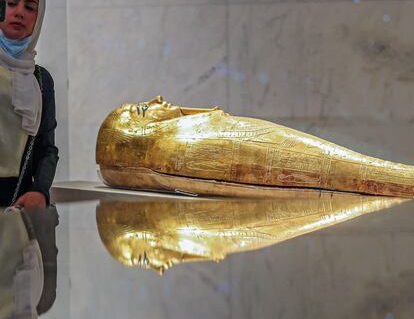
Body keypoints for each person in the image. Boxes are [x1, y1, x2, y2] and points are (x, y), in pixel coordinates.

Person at [97, 95, 414, 198]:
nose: (156, 101)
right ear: (136, 138)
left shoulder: (192, 134)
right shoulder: (185, 142)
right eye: (140, 110)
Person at [0, 0, 58, 208]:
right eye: (11, 3)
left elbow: (47, 149)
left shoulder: (41, 79)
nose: (20, 12)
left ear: (38, 18)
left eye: (30, 7)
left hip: (19, 204)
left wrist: (40, 191)